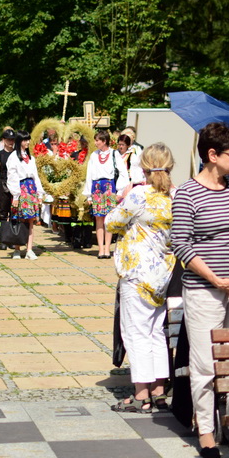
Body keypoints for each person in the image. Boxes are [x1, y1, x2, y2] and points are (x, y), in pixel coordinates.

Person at [171, 123, 229, 458]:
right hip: (205, 291)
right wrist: (216, 279)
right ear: (212, 155)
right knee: (206, 364)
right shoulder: (187, 193)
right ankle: (207, 433)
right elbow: (181, 245)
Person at [106, 143, 176, 414]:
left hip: (136, 272)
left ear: (144, 168)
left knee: (136, 333)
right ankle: (159, 391)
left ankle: (141, 394)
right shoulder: (176, 195)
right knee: (157, 332)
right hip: (163, 274)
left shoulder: (139, 195)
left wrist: (124, 197)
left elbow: (111, 222)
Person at [83, 130, 130, 259]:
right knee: (98, 218)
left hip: (109, 186)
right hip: (97, 187)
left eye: (97, 140)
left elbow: (123, 172)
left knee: (108, 218)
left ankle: (107, 248)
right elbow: (89, 174)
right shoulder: (94, 155)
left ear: (104, 141)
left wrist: (120, 191)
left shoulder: (114, 154)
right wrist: (88, 195)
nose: (95, 143)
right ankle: (100, 248)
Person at [5, 130, 44, 260]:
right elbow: (12, 176)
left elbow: (35, 176)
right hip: (20, 189)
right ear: (19, 141)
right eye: (25, 140)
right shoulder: (13, 157)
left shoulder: (30, 158)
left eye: (28, 140)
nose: (27, 142)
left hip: (31, 189)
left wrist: (39, 193)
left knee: (31, 220)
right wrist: (16, 195)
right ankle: (17, 249)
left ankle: (29, 249)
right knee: (19, 219)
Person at [0, 128, 16, 250]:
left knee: (13, 213)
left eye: (12, 139)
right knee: (2, 214)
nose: (11, 142)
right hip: (2, 185)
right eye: (8, 139)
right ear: (4, 140)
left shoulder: (17, 154)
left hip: (14, 186)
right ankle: (3, 240)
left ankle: (12, 239)